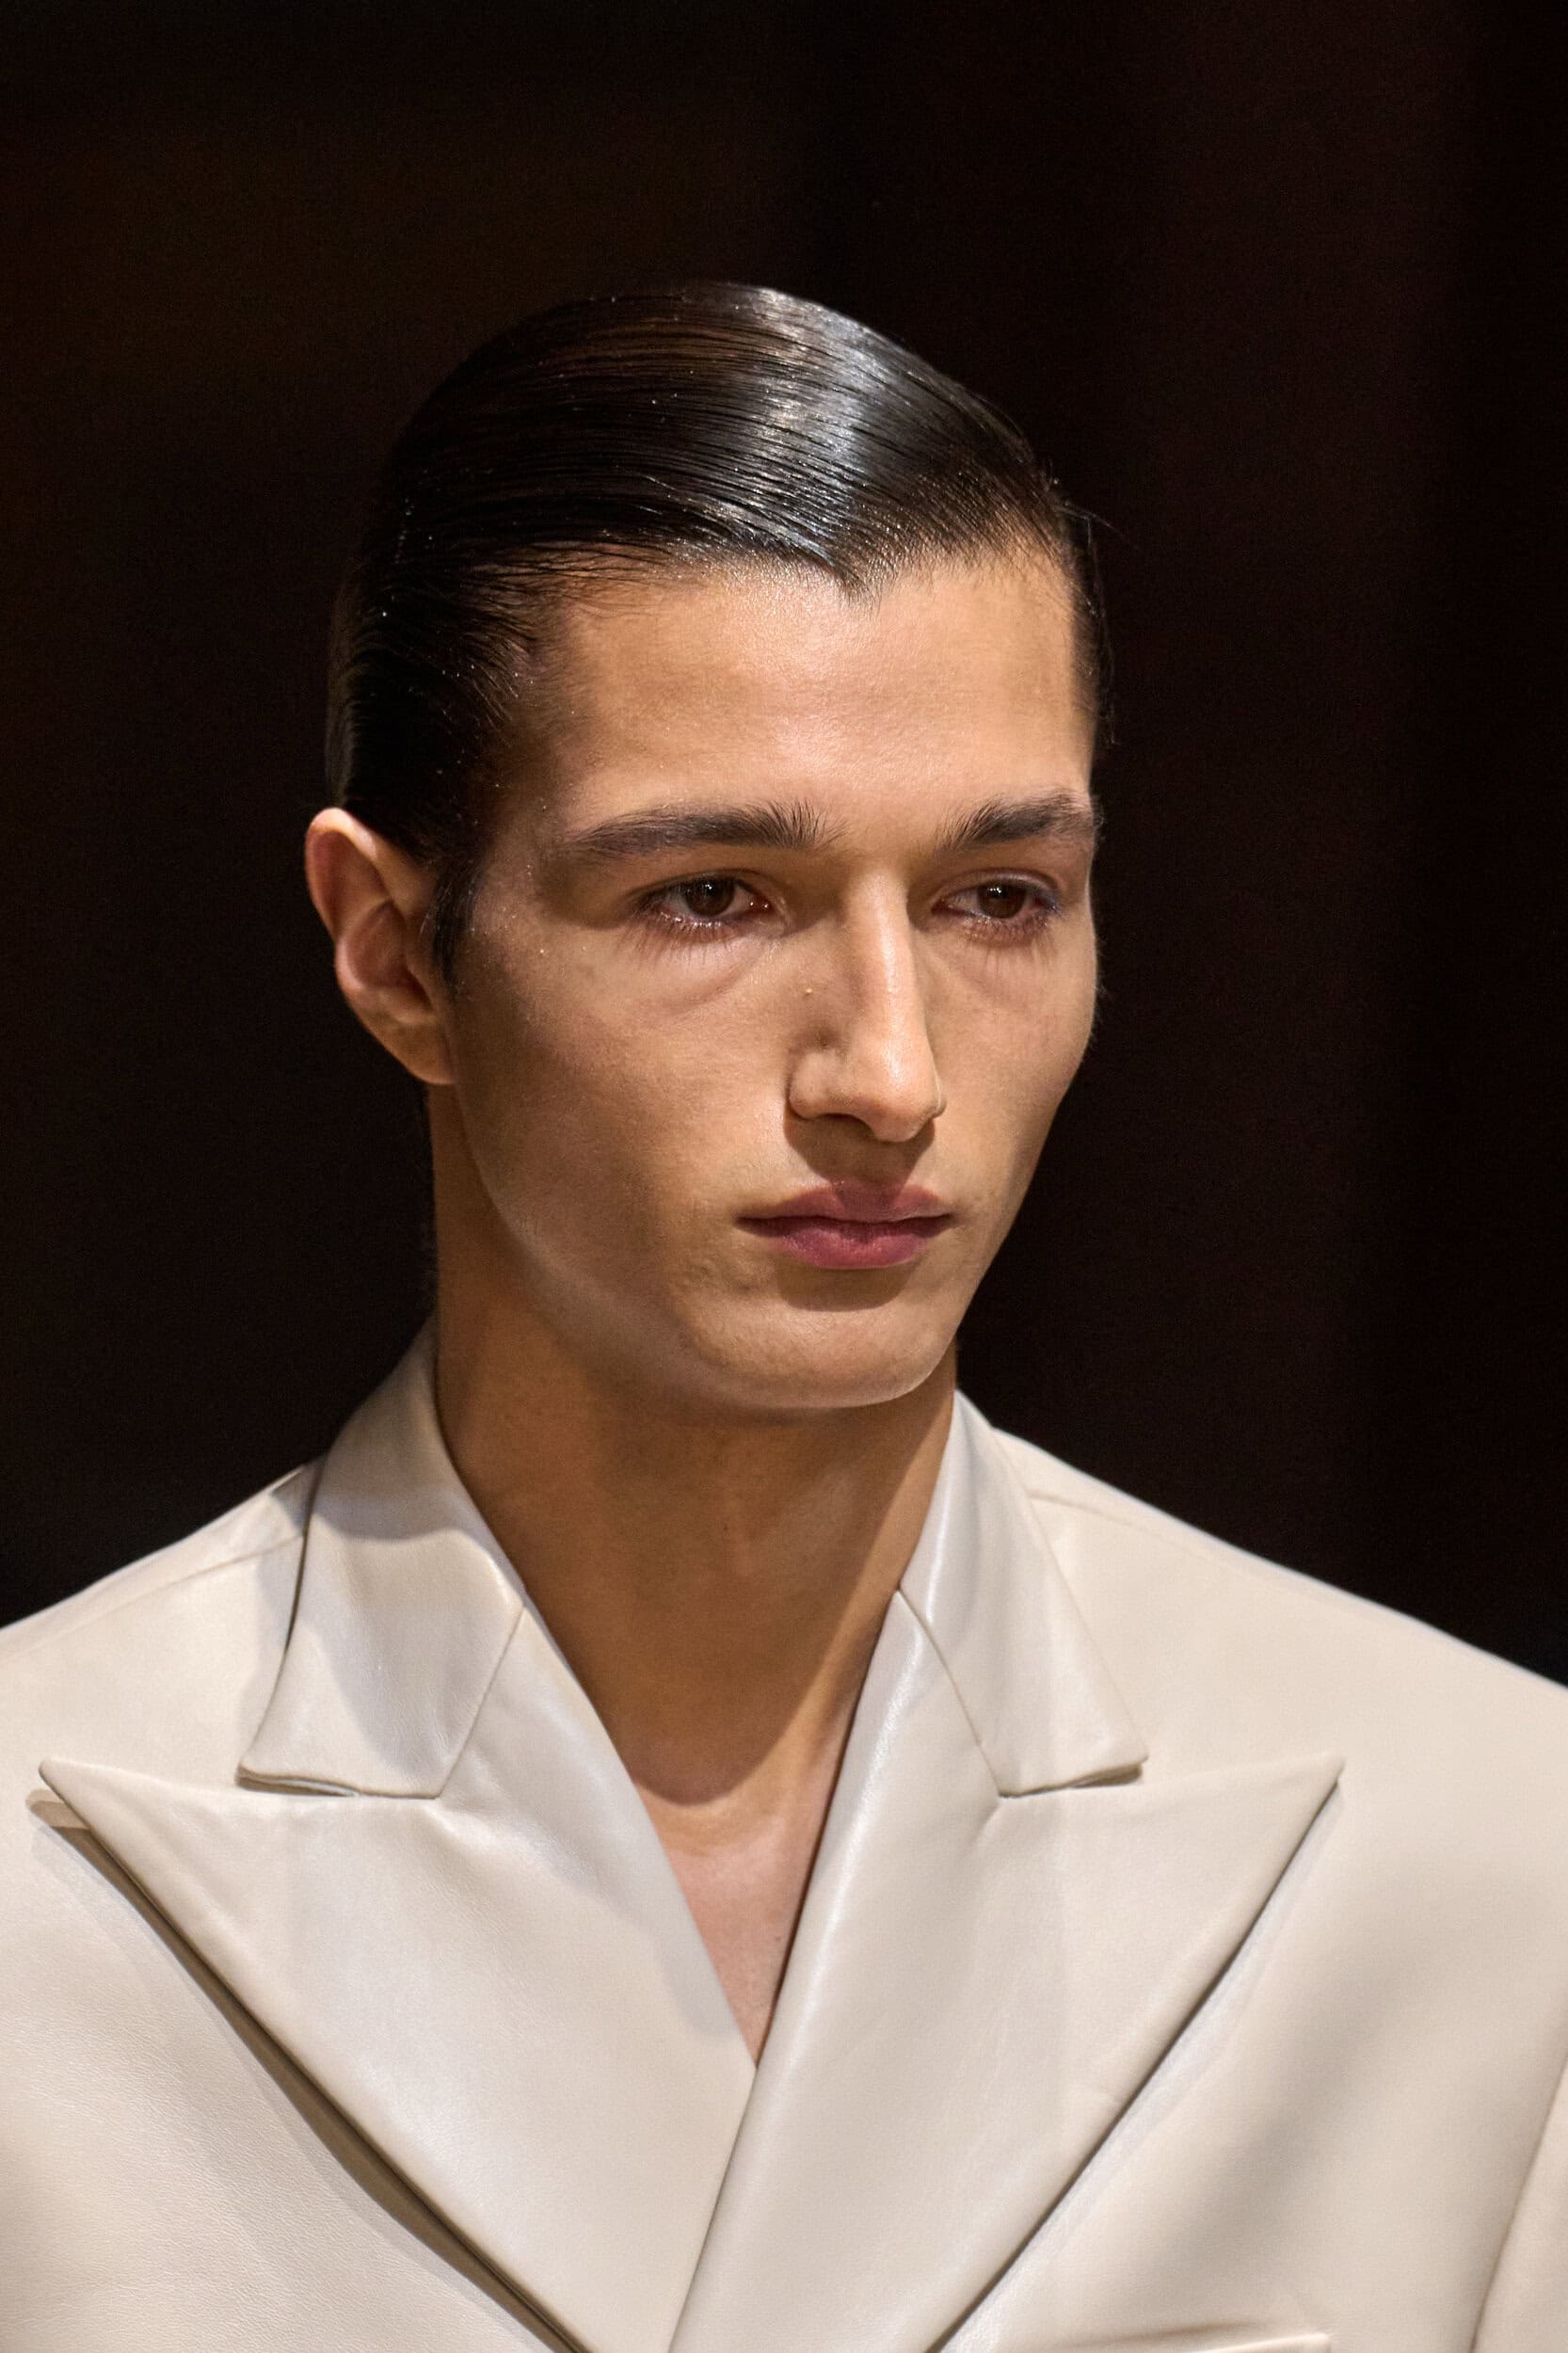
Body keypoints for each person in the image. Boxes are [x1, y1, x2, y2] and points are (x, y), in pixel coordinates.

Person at [2, 284, 1564, 2353]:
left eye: (997, 897)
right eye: (712, 896)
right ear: (395, 952)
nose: (888, 1073)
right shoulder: (34, 1884)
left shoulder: (1480, 1861)